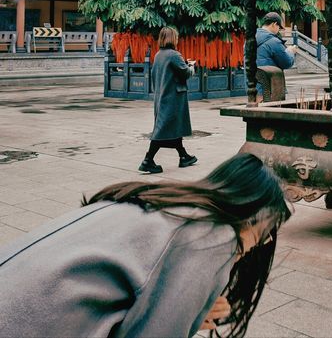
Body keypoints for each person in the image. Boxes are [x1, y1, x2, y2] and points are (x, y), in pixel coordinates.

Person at [0, 153, 291, 338]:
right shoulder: (211, 235)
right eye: (266, 233)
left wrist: (187, 310)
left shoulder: (160, 201)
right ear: (254, 215)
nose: (259, 244)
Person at [139, 26, 197, 174]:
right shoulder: (174, 55)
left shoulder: (159, 55)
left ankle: (183, 156)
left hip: (162, 96)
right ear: (173, 38)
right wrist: (191, 66)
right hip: (172, 98)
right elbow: (185, 73)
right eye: (176, 37)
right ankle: (148, 160)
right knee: (162, 129)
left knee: (173, 127)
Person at [255, 12, 296, 102]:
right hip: (270, 89)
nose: (279, 30)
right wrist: (290, 52)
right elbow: (287, 62)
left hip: (253, 89)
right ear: (274, 24)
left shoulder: (250, 39)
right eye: (279, 27)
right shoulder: (273, 41)